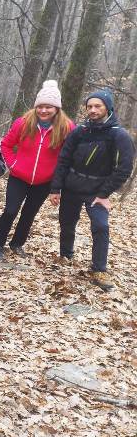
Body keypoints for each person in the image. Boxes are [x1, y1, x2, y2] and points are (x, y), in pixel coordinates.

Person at [49, 90, 135, 291]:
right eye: (89, 106)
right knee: (67, 223)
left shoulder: (118, 135)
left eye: (98, 106)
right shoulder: (80, 131)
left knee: (101, 226)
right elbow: (63, 159)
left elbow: (124, 168)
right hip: (71, 186)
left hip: (97, 191)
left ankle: (99, 269)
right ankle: (66, 255)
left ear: (108, 107)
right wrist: (56, 188)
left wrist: (105, 194)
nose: (93, 110)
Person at [0, 80, 74, 260]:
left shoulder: (66, 128)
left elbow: (67, 158)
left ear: (57, 108)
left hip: (45, 181)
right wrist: (13, 164)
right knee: (11, 210)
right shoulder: (23, 122)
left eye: (49, 107)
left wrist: (56, 184)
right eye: (40, 106)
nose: (43, 110)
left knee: (29, 213)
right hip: (19, 177)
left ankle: (17, 243)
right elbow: (5, 145)